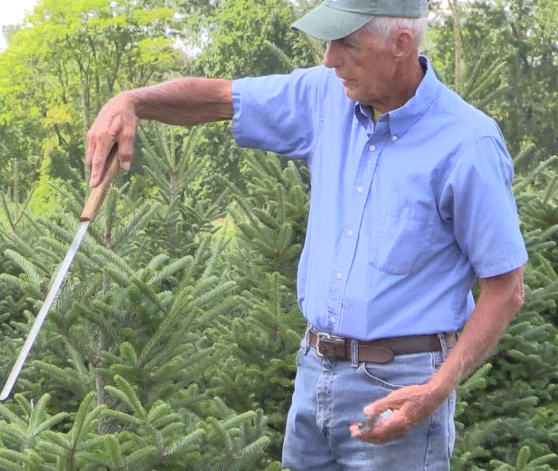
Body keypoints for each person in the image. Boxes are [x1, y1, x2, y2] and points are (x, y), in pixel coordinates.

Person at [85, 0, 528, 469]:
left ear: (400, 45)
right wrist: (131, 101)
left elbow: (506, 290)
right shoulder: (323, 97)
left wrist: (435, 392)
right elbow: (218, 98)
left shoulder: (468, 143)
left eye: (347, 43)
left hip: (402, 388)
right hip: (313, 371)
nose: (329, 59)